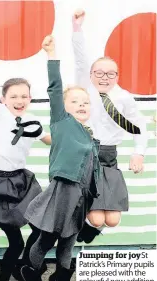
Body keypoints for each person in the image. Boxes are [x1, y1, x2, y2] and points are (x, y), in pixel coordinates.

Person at [20, 35, 100, 281]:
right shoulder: (62, 123)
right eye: (75, 101)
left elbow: (92, 171)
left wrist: (94, 199)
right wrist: (52, 54)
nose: (81, 105)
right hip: (61, 192)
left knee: (69, 243)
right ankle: (30, 271)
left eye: (85, 103)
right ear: (63, 108)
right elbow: (56, 88)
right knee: (47, 239)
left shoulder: (90, 136)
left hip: (79, 197)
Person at [0, 44, 51, 281]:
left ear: (31, 98)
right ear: (4, 98)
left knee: (45, 227)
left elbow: (53, 142)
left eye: (25, 96)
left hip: (23, 183)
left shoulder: (33, 121)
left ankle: (28, 269)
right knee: (16, 243)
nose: (20, 100)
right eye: (14, 96)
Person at [70, 9, 147, 243]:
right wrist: (77, 29)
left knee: (112, 220)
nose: (104, 77)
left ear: (117, 76)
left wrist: (138, 154)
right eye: (99, 72)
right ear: (91, 74)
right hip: (86, 153)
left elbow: (140, 124)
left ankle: (86, 229)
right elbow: (82, 59)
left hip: (109, 158)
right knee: (96, 218)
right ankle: (77, 219)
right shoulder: (86, 88)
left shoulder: (123, 98)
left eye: (110, 74)